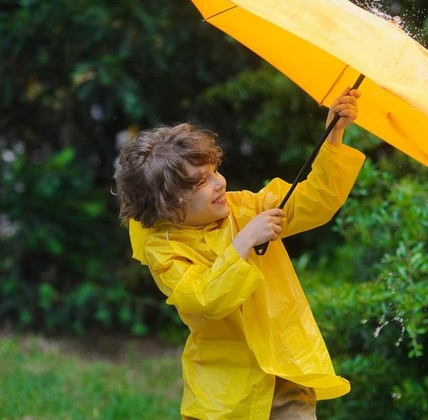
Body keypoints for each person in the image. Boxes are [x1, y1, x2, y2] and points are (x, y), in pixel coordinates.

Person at [113, 88, 365, 420]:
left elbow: (315, 201)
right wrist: (243, 243)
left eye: (215, 171)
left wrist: (333, 136)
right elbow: (205, 299)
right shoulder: (164, 247)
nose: (219, 183)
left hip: (284, 376)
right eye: (201, 181)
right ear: (169, 204)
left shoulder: (244, 208)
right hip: (223, 396)